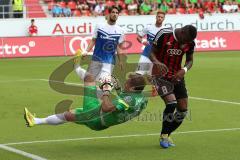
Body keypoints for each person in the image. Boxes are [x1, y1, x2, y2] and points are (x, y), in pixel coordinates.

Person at [24, 62, 148, 130]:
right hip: (101, 122)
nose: (125, 83)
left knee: (89, 77)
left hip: (96, 116)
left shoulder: (128, 100)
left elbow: (106, 107)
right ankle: (35, 121)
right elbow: (125, 98)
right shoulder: (141, 97)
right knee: (68, 115)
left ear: (132, 88)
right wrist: (113, 81)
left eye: (127, 83)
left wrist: (106, 90)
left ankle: (76, 65)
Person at [149, 25, 197, 148]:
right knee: (171, 103)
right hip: (159, 76)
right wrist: (157, 62)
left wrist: (184, 69)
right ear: (182, 32)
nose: (184, 44)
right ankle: (164, 135)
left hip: (177, 76)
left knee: (183, 110)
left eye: (187, 42)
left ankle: (166, 134)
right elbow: (151, 52)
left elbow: (190, 60)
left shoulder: (190, 42)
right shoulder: (164, 34)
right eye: (184, 40)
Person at [74, 6, 125, 84]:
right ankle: (77, 67)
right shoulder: (99, 26)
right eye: (113, 12)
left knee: (105, 84)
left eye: (117, 13)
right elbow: (93, 40)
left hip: (109, 62)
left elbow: (119, 47)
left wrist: (121, 61)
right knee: (89, 79)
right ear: (109, 14)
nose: (115, 14)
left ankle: (77, 67)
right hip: (96, 59)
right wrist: (86, 51)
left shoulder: (120, 31)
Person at [136, 11, 165, 75]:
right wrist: (143, 41)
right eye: (159, 16)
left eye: (161, 17)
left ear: (163, 19)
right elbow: (138, 37)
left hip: (157, 57)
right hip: (146, 54)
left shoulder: (165, 30)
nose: (160, 18)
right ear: (156, 17)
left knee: (154, 79)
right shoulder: (148, 27)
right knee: (138, 75)